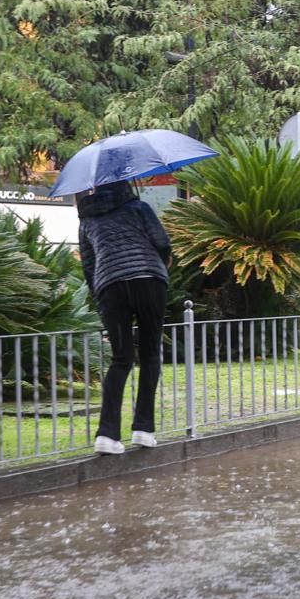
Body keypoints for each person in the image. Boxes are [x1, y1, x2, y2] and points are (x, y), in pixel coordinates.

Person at [78, 181, 172, 455]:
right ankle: (143, 430)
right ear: (125, 185)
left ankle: (107, 435)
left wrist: (100, 294)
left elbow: (88, 264)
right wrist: (162, 264)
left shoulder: (87, 220)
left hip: (110, 287)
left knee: (121, 359)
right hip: (148, 280)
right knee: (151, 354)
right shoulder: (139, 207)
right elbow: (162, 242)